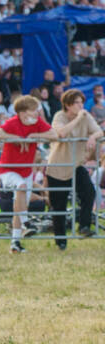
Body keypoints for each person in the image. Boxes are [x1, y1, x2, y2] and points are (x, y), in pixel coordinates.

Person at [0, 95, 59, 254]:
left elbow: (54, 135)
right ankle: (26, 222)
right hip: (9, 169)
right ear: (22, 112)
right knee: (21, 188)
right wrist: (16, 138)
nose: (37, 113)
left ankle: (15, 243)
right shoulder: (13, 122)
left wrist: (34, 136)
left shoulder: (37, 123)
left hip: (26, 170)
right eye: (33, 110)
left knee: (20, 203)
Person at [45, 89, 102, 249]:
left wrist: (92, 137)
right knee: (59, 205)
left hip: (76, 164)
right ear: (68, 105)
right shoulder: (59, 116)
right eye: (77, 102)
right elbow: (61, 133)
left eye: (81, 102)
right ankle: (61, 241)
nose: (80, 106)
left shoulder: (85, 115)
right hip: (58, 166)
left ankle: (84, 226)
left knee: (89, 192)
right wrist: (78, 119)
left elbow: (99, 130)